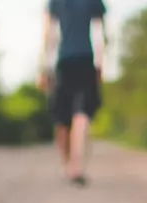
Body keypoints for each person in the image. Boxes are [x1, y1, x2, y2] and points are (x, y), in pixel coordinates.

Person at [38, 0, 108, 186]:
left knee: (63, 117)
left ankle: (70, 165)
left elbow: (49, 34)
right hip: (86, 60)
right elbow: (100, 33)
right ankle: (75, 166)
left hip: (65, 61)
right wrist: (101, 62)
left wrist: (45, 67)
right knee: (81, 113)